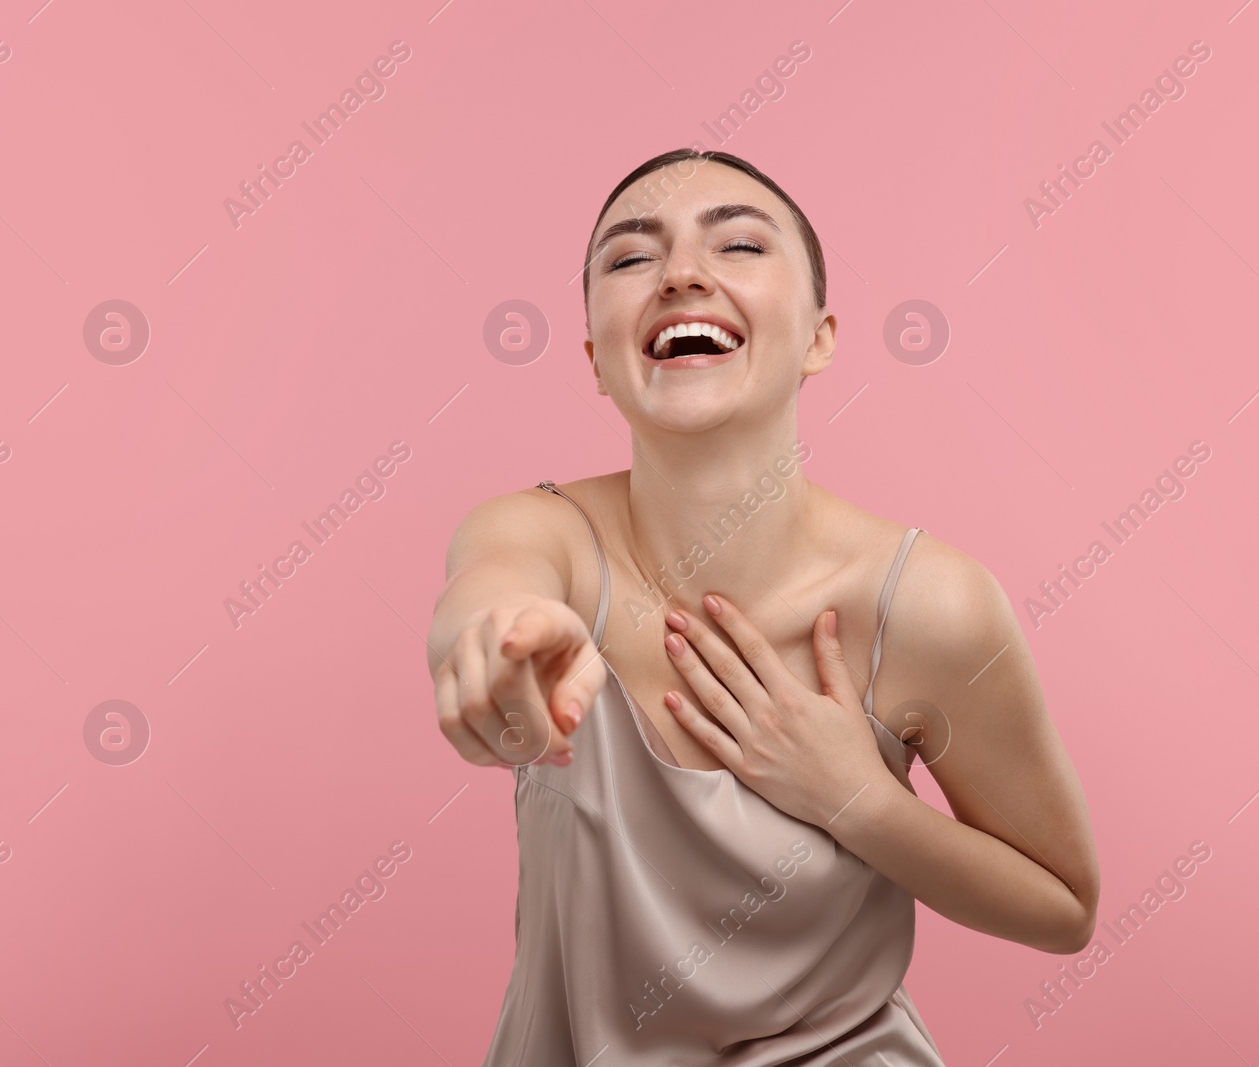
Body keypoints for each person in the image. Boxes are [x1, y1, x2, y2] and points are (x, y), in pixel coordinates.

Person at [428, 148, 1100, 1064]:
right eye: (631, 259)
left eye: (738, 244)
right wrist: (495, 640)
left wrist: (859, 800)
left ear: (821, 336)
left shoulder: (929, 603)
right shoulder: (544, 536)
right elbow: (491, 586)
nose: (682, 275)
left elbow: (1063, 906)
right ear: (596, 359)